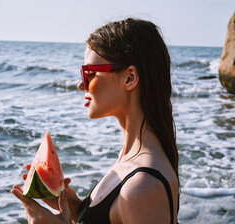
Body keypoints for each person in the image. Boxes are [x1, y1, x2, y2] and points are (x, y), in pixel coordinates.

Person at [11, 18, 180, 224]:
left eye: (89, 73)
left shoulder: (144, 186)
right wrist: (74, 206)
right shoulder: (131, 158)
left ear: (129, 77)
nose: (81, 84)